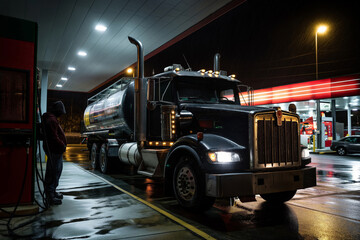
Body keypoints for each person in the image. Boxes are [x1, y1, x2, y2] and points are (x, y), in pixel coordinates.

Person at [42, 101, 67, 205]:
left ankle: (52, 192)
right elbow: (54, 137)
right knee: (54, 172)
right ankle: (50, 195)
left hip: (55, 149)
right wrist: (62, 144)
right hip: (55, 149)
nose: (61, 114)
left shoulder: (50, 118)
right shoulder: (52, 120)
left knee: (56, 171)